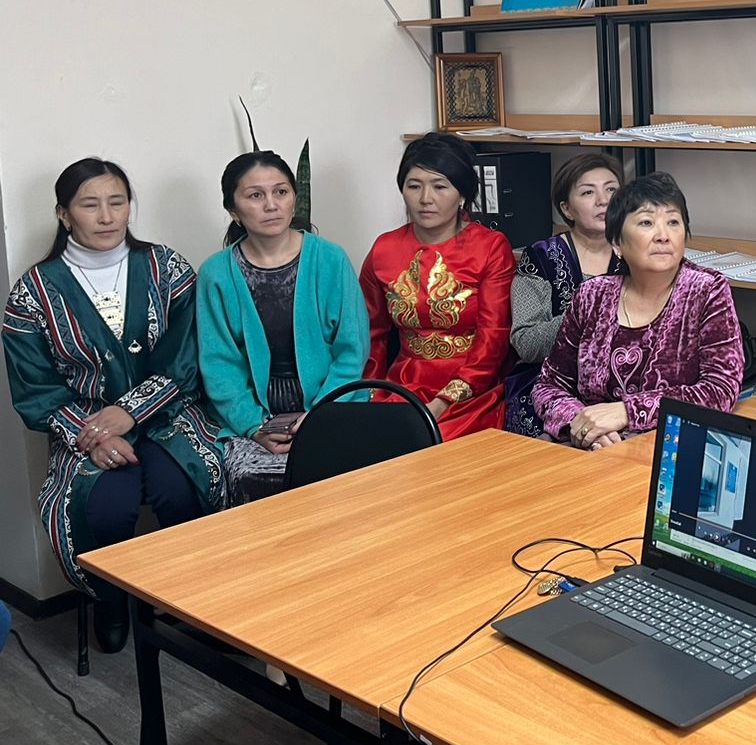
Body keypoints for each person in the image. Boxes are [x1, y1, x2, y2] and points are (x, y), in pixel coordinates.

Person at [2, 159, 224, 653]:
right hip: (85, 429)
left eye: (117, 202)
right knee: (103, 508)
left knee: (184, 487)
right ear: (64, 214)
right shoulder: (32, 293)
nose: (106, 216)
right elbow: (34, 387)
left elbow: (189, 354)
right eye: (89, 204)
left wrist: (131, 412)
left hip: (168, 415)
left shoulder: (167, 268)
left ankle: (196, 599)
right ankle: (110, 600)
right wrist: (96, 436)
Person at [197, 151, 369, 503]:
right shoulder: (216, 273)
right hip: (253, 420)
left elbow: (352, 351)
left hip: (334, 405)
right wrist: (255, 425)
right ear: (233, 210)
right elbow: (219, 365)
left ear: (294, 198)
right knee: (254, 482)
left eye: (281, 192)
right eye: (255, 195)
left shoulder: (330, 259)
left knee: (345, 482)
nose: (271, 205)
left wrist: (319, 415)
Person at [533, 171, 741, 449]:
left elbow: (720, 389)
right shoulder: (592, 295)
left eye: (673, 222)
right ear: (617, 243)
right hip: (590, 448)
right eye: (646, 222)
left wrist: (627, 412)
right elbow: (549, 385)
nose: (663, 236)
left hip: (667, 449)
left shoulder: (706, 290)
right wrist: (585, 425)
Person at [360, 133, 515, 439]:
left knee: (434, 445)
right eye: (414, 186)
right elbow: (371, 335)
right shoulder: (383, 249)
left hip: (471, 389)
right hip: (401, 385)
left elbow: (494, 336)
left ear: (462, 194)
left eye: (440, 186)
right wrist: (371, 396)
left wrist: (444, 401)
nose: (425, 199)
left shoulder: (490, 247)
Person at [504, 152, 624, 436]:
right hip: (552, 385)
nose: (603, 200)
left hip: (620, 385)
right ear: (567, 209)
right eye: (588, 192)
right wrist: (585, 313)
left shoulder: (637, 254)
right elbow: (526, 343)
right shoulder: (542, 256)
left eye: (611, 190)